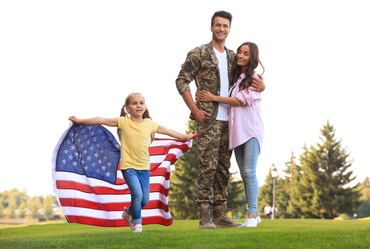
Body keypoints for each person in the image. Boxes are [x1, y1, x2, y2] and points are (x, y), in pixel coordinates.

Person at [175, 10, 266, 229]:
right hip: (209, 118)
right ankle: (205, 216)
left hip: (233, 122)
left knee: (224, 168)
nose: (221, 29)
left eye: (225, 26)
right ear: (211, 27)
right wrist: (195, 110)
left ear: (229, 29)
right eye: (218, 25)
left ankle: (219, 214)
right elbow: (181, 81)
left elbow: (250, 78)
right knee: (208, 166)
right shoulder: (198, 53)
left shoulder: (235, 56)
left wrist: (262, 85)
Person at [68, 92, 197, 233]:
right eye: (134, 103)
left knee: (144, 200)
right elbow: (101, 119)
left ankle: (128, 213)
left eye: (141, 103)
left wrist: (185, 137)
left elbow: (168, 131)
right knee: (137, 194)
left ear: (145, 107)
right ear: (127, 108)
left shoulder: (150, 124)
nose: (138, 106)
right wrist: (80, 121)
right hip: (129, 167)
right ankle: (137, 224)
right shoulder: (123, 122)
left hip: (144, 168)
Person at [196, 42, 265, 227]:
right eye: (240, 52)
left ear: (253, 58)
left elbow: (240, 101)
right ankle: (255, 213)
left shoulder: (254, 78)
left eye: (246, 54)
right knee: (244, 173)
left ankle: (252, 215)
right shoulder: (238, 79)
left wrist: (213, 98)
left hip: (250, 131)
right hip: (238, 133)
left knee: (249, 172)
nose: (241, 56)